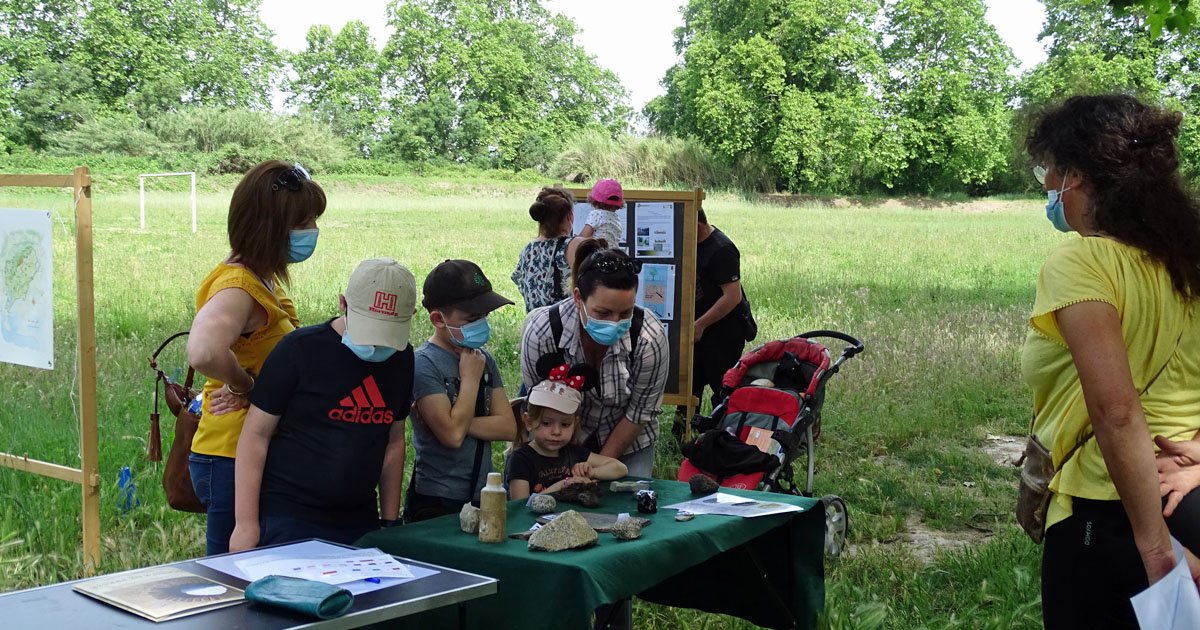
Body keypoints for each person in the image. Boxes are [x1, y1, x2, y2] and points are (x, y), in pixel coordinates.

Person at [1021, 94, 1200, 628]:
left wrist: (1157, 551)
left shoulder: (1081, 261)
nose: (1048, 188)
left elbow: (1117, 412)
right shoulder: (1187, 265)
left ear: (1075, 175)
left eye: (1047, 172)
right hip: (1187, 493)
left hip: (1109, 510)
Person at [228, 258, 417, 551]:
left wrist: (388, 522)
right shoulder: (299, 350)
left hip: (359, 519)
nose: (378, 346)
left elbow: (394, 441)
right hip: (290, 515)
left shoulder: (403, 358)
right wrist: (246, 525)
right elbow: (255, 435)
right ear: (343, 303)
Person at [186, 160, 324, 556]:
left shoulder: (263, 276)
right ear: (269, 226)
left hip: (253, 453)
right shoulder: (238, 287)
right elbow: (204, 349)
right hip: (230, 456)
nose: (312, 231)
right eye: (303, 221)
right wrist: (245, 385)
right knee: (230, 583)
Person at [520, 241, 669, 478]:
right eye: (603, 313)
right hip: (557, 440)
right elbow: (540, 404)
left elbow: (640, 412)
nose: (614, 322)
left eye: (625, 313)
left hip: (629, 441)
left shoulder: (649, 337)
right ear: (578, 298)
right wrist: (569, 464)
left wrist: (596, 468)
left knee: (626, 510)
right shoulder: (543, 333)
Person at [406, 259, 518, 522]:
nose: (482, 322)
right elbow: (452, 437)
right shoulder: (424, 363)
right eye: (472, 318)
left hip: (484, 494)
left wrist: (451, 420)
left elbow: (508, 428)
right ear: (438, 319)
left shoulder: (482, 359)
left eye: (485, 316)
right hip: (438, 499)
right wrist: (469, 381)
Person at [675, 209, 750, 442]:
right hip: (697, 332)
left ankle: (723, 440)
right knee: (688, 387)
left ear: (696, 226)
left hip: (723, 333)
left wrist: (700, 325)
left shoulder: (721, 249)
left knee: (723, 390)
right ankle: (681, 438)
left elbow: (732, 297)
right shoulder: (688, 244)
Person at [506, 364, 628, 500]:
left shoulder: (574, 453)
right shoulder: (520, 459)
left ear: (575, 424)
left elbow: (620, 468)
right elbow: (520, 506)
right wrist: (564, 484)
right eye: (546, 423)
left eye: (565, 424)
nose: (556, 431)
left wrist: (591, 472)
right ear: (528, 422)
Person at [512, 187, 590, 312]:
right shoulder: (573, 245)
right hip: (566, 328)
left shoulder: (527, 251)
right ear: (570, 215)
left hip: (534, 327)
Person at [577, 178, 624, 248]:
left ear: (593, 201)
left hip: (598, 255)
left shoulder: (596, 215)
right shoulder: (616, 219)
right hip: (613, 255)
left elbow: (583, 237)